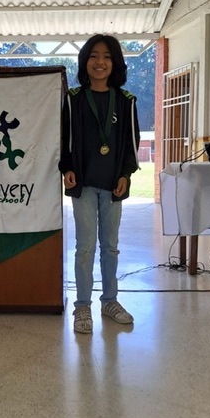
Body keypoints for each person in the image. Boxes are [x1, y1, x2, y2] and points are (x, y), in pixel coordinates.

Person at [59, 34, 140, 334]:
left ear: (115, 62)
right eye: (93, 56)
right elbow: (64, 139)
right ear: (84, 62)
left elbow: (132, 143)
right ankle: (82, 306)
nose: (100, 62)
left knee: (110, 247)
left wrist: (125, 174)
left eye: (106, 56)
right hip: (83, 185)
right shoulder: (74, 99)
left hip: (112, 185)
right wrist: (67, 167)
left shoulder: (126, 101)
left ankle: (110, 301)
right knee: (85, 248)